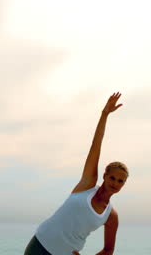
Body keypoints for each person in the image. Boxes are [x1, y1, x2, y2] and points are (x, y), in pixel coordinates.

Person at [24, 93, 128, 255]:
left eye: (120, 181)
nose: (115, 183)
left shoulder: (111, 216)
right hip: (40, 245)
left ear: (123, 185)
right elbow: (96, 146)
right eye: (113, 178)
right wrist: (104, 114)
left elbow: (108, 250)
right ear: (105, 176)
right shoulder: (87, 185)